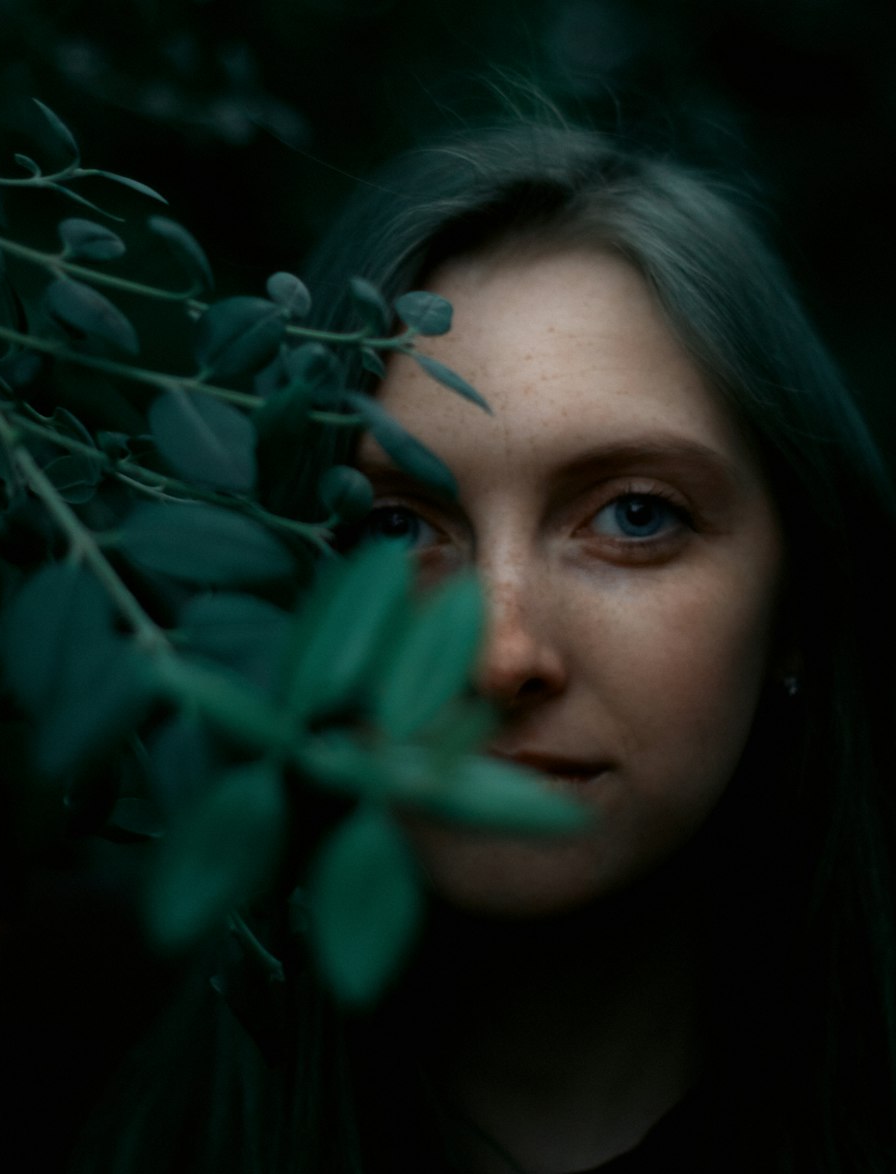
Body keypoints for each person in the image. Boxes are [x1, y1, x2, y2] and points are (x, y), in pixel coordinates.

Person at [72, 120, 896, 1174]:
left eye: (635, 515)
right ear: (276, 581)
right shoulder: (24, 1080)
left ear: (797, 602)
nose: (500, 655)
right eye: (393, 527)